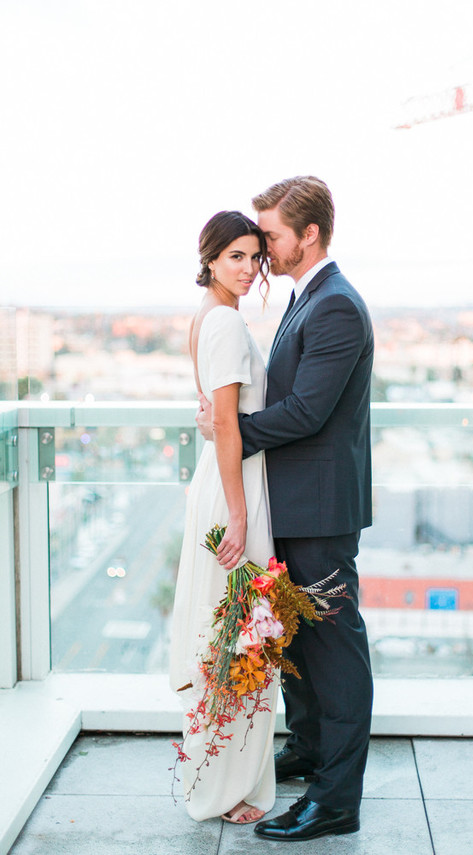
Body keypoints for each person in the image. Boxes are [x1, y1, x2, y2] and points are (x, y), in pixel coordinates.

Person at [197, 176, 374, 841]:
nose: (262, 248)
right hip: (298, 502)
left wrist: (231, 432)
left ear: (309, 234)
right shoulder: (310, 297)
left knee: (334, 653)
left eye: (270, 235)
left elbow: (306, 412)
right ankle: (307, 749)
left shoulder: (335, 306)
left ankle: (336, 800)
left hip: (320, 511)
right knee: (296, 639)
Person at [169, 210, 279, 825]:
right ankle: (225, 785)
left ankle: (217, 775)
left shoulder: (205, 319)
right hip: (236, 491)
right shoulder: (227, 325)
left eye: (254, 257)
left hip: (218, 481)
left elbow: (211, 416)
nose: (247, 268)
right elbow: (228, 425)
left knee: (230, 632)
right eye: (235, 255)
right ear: (210, 257)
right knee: (239, 633)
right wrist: (240, 519)